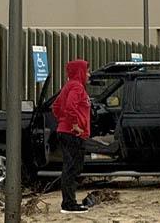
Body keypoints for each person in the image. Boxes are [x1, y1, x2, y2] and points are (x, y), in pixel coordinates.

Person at [52, 59, 91, 214]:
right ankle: (69, 203)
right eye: (87, 71)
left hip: (67, 131)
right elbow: (69, 106)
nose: (89, 75)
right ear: (80, 72)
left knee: (73, 167)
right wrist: (74, 124)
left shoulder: (69, 86)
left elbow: (56, 106)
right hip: (72, 133)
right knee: (71, 168)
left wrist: (63, 120)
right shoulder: (76, 86)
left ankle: (70, 201)